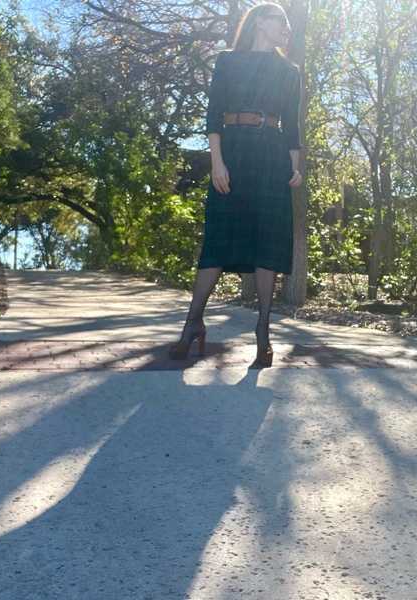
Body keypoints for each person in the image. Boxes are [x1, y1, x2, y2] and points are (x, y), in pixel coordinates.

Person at [169, 2, 303, 367]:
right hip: (232, 152)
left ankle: (263, 330)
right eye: (282, 22)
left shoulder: (289, 71)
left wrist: (293, 169)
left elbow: (292, 126)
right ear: (261, 22)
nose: (287, 29)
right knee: (218, 238)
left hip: (272, 155)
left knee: (267, 242)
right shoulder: (227, 61)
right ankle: (193, 321)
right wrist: (217, 163)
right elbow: (213, 115)